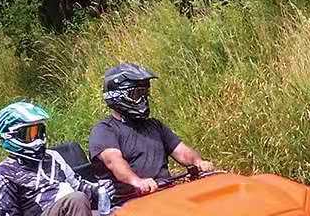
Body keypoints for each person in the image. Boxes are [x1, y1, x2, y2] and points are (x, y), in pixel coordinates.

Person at [0, 101, 114, 216]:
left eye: (39, 131)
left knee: (112, 205)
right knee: (75, 199)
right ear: (11, 136)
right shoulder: (4, 174)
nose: (37, 138)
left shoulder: (53, 157)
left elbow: (79, 185)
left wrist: (101, 190)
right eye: (29, 134)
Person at [88, 63, 215, 197]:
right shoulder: (104, 130)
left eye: (145, 94)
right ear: (117, 96)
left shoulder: (154, 125)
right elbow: (114, 162)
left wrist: (199, 162)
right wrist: (137, 181)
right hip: (128, 202)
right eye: (137, 94)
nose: (143, 99)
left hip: (166, 193)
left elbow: (181, 152)